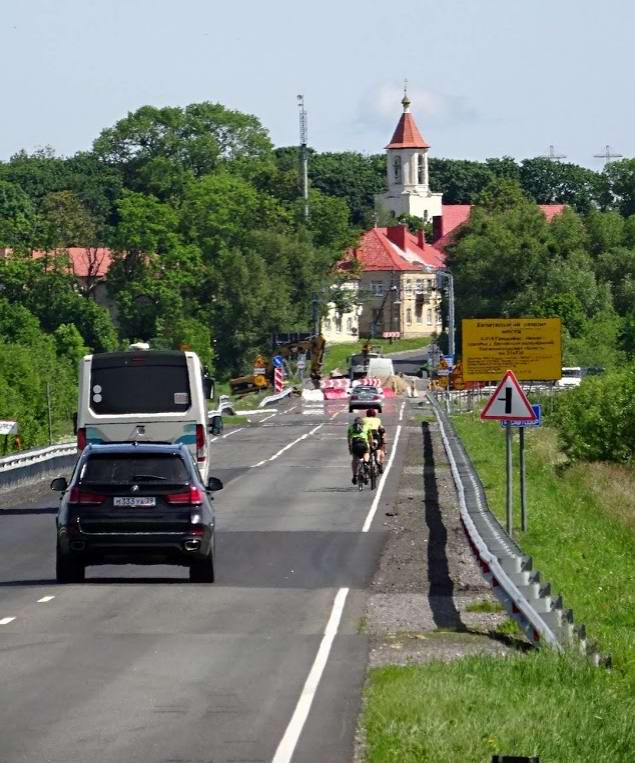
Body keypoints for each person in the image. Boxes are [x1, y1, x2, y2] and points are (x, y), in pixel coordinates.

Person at [347, 415, 372, 485]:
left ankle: (355, 475)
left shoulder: (351, 428)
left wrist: (350, 448)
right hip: (363, 442)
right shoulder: (366, 427)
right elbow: (370, 437)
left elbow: (349, 439)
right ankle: (366, 463)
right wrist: (371, 445)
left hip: (355, 444)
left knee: (355, 459)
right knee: (366, 452)